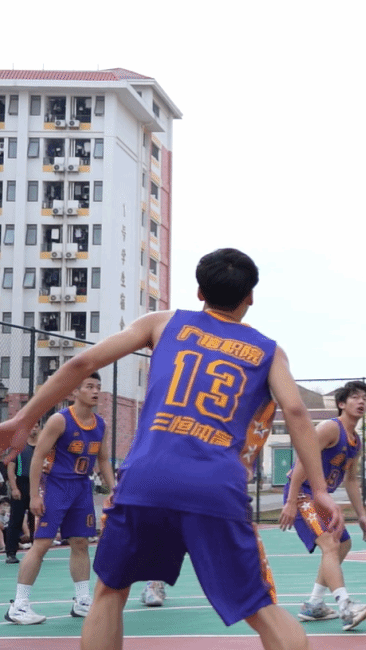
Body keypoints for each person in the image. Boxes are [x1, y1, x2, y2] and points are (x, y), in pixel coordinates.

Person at [0, 248, 343, 650]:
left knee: (110, 591)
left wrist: (22, 420)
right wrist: (320, 490)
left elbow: (80, 365)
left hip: (147, 478)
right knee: (259, 607)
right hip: (216, 485)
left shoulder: (163, 323)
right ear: (250, 296)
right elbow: (297, 412)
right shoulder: (268, 351)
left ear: (199, 292)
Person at [5, 373, 114, 624]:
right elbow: (37, 456)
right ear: (75, 391)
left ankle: (82, 600)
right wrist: (34, 495)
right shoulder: (60, 420)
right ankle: (19, 605)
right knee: (42, 544)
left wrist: (113, 489)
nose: (95, 391)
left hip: (82, 488)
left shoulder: (101, 425)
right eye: (89, 386)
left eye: (98, 387)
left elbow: (103, 460)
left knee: (80, 542)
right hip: (56, 486)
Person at [279, 381, 366, 631]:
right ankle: (345, 606)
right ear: (342, 403)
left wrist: (362, 515)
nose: (361, 401)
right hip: (302, 493)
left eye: (365, 398)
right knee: (330, 545)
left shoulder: (355, 441)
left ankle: (314, 604)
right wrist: (290, 501)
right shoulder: (330, 428)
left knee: (343, 543)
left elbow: (351, 480)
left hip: (320, 497)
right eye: (355, 397)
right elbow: (302, 460)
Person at [5, 423, 40, 564]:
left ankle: (36, 551)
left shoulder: (42, 446)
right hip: (21, 483)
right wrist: (14, 488)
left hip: (36, 484)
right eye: (32, 426)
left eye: (36, 426)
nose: (34, 428)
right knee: (16, 519)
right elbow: (11, 469)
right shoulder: (18, 447)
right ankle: (11, 553)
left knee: (36, 520)